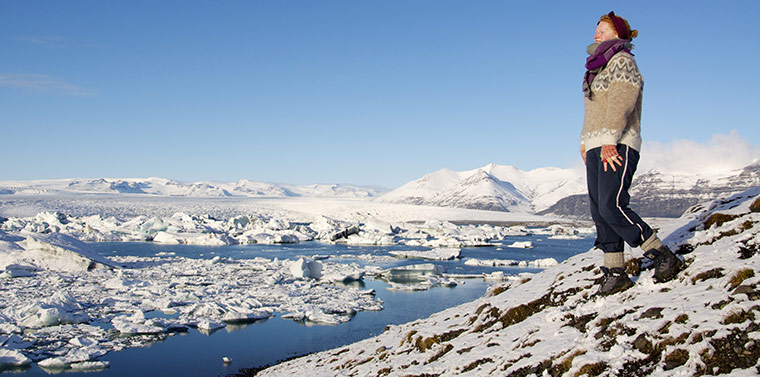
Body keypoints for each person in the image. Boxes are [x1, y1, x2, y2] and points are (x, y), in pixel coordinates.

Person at [580, 11, 683, 295]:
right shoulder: (596, 68)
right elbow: (593, 111)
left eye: (601, 29)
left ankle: (662, 255)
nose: (595, 34)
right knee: (600, 211)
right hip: (596, 145)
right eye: (596, 29)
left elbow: (621, 103)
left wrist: (611, 139)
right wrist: (584, 142)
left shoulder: (622, 62)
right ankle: (615, 272)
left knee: (613, 205)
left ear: (616, 32)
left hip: (618, 143)